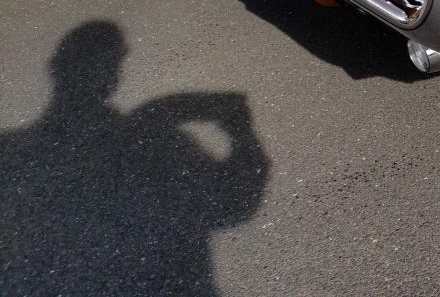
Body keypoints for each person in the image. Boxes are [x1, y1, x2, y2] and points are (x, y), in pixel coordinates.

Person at [0, 21, 268, 296]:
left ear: (55, 66)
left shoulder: (8, 150)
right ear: (114, 71)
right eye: (116, 61)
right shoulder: (158, 137)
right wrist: (243, 134)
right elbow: (233, 207)